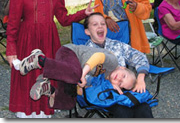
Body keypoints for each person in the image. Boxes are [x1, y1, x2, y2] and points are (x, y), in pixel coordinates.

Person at [5, 0, 98, 118]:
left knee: (47, 73)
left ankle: (44, 110)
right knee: (27, 75)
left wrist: (84, 13)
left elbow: (64, 20)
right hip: (27, 42)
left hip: (49, 42)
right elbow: (12, 26)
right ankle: (26, 112)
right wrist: (11, 50)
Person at [17, 44, 152, 118]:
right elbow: (98, 57)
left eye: (121, 84)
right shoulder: (113, 63)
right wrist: (84, 72)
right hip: (70, 52)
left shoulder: (103, 80)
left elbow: (82, 91)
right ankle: (40, 59)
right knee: (76, 73)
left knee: (69, 101)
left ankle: (48, 88)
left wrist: (82, 86)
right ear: (123, 68)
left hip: (68, 71)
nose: (119, 80)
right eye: (123, 76)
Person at [84, 12, 153, 118]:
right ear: (87, 31)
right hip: (103, 93)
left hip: (125, 86)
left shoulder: (116, 45)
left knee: (143, 108)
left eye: (103, 24)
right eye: (95, 24)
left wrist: (140, 77)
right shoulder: (84, 52)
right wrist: (107, 80)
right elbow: (83, 79)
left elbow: (139, 57)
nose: (100, 26)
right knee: (123, 112)